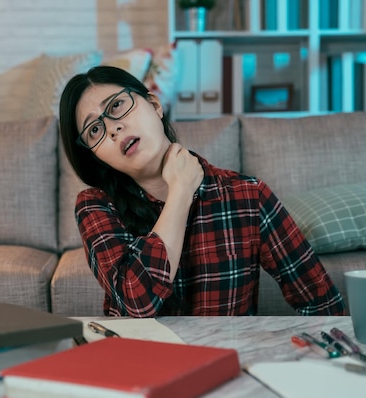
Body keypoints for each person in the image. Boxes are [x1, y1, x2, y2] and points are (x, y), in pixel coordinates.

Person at [59, 65, 346, 317]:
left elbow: (322, 303)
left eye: (117, 106)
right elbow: (137, 301)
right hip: (141, 366)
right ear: (95, 156)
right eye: (94, 130)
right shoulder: (95, 206)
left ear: (155, 106)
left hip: (226, 365)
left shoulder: (248, 195)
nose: (112, 128)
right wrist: (181, 192)